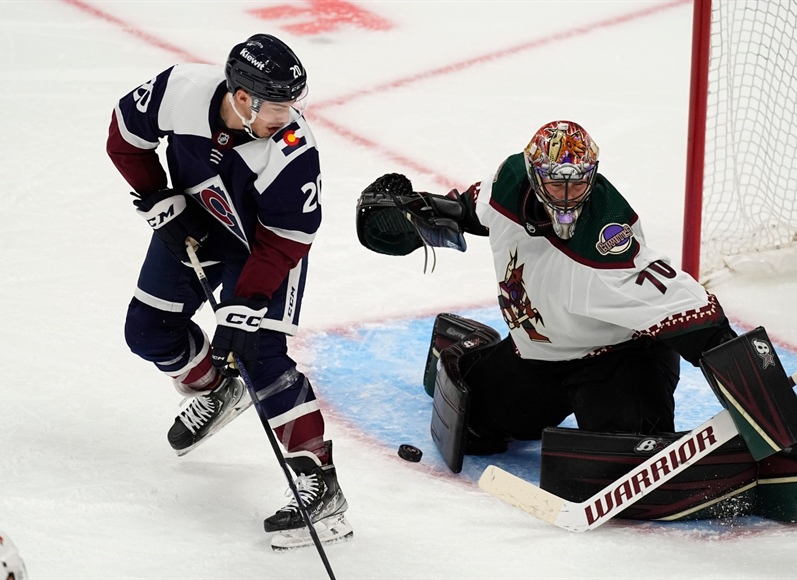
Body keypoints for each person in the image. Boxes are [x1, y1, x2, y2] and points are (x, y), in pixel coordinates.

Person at [355, 119, 738, 466]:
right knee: (475, 427)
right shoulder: (509, 183)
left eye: (579, 182)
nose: (569, 195)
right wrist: (420, 216)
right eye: (557, 183)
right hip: (539, 355)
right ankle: (478, 348)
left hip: (619, 359)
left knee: (625, 459)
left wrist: (762, 402)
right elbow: (471, 212)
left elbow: (701, 322)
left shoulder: (609, 247)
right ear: (534, 176)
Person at [106, 34, 349, 545]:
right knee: (148, 330)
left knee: (260, 352)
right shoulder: (182, 89)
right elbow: (125, 134)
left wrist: (247, 302)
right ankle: (215, 390)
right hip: (199, 220)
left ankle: (319, 482)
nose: (288, 118)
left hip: (264, 247)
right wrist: (156, 195)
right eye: (278, 106)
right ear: (242, 98)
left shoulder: (292, 151)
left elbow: (288, 237)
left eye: (291, 105)